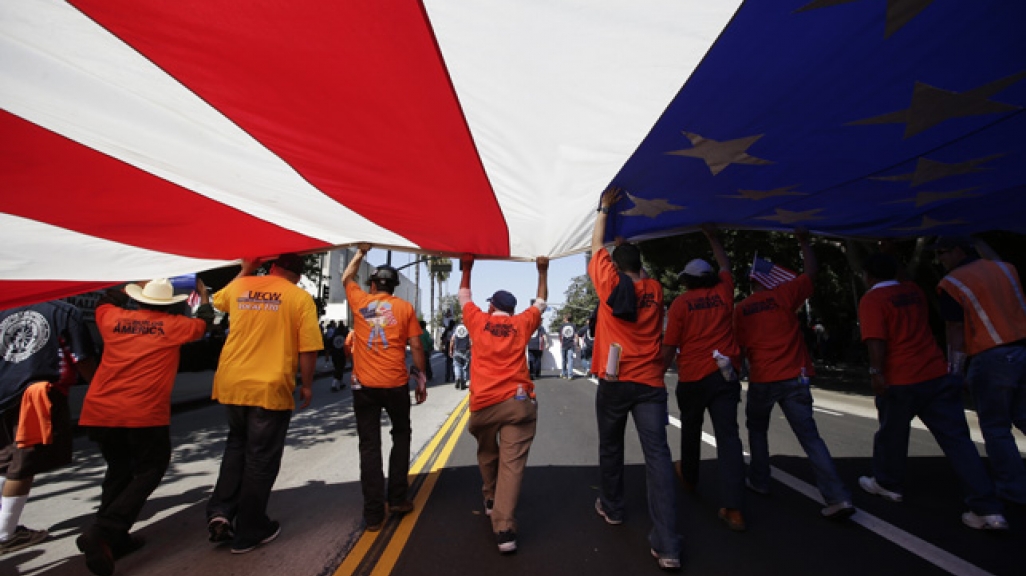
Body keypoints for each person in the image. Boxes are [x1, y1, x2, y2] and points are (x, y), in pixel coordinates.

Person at [857, 252, 1008, 529]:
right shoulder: (913, 291)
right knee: (959, 442)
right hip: (936, 375)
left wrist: (876, 372)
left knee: (892, 436)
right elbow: (901, 275)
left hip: (900, 379)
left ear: (868, 276)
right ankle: (987, 508)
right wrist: (888, 247)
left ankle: (888, 483)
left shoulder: (872, 300)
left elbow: (876, 340)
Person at [76, 278, 214, 575]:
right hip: (142, 413)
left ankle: (114, 539)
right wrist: (203, 296)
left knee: (119, 470)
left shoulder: (112, 318)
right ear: (168, 303)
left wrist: (129, 278)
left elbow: (104, 301)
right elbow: (205, 323)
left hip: (101, 410)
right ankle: (104, 529)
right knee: (151, 468)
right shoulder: (174, 326)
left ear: (137, 299)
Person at [206, 253, 323, 553]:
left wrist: (245, 270)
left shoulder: (242, 286)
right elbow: (308, 348)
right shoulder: (299, 298)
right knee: (260, 458)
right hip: (269, 387)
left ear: (271, 268)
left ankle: (220, 511)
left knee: (236, 446)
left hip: (232, 381)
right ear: (296, 276)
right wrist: (307, 385)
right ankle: (250, 529)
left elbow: (215, 301)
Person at [734, 231, 854, 520]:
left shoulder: (741, 310)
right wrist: (803, 242)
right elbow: (810, 273)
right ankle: (837, 496)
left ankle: (760, 481)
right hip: (795, 377)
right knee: (811, 438)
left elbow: (737, 349)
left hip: (763, 379)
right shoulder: (785, 295)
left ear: (751, 284)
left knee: (757, 431)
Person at [590, 187, 680, 571]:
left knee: (611, 448)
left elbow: (597, 247)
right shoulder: (656, 290)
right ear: (640, 267)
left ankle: (612, 507)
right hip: (650, 385)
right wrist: (628, 249)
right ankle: (668, 544)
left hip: (614, 383)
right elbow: (640, 273)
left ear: (615, 265)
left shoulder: (609, 286)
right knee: (658, 458)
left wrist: (603, 210)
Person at [458, 254, 548, 553]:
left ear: (491, 307)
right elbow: (540, 302)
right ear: (511, 310)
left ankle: (489, 497)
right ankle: (505, 529)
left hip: (483, 406)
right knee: (512, 465)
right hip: (517, 403)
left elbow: (463, 295)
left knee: (486, 450)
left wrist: (468, 268)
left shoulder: (477, 320)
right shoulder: (522, 324)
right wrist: (542, 271)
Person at [663, 225, 747, 532]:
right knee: (729, 438)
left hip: (693, 377)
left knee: (691, 429)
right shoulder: (724, 291)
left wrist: (656, 376)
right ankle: (734, 508)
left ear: (687, 282)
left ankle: (689, 476)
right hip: (724, 376)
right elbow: (725, 265)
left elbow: (670, 347)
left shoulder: (681, 304)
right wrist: (713, 237)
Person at [934, 236, 1026, 505]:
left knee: (996, 426)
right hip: (1023, 349)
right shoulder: (1006, 268)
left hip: (992, 355)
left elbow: (955, 330)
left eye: (942, 253)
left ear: (958, 250)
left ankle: (1014, 489)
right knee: (1023, 415)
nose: (940, 260)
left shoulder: (952, 282)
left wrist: (955, 370)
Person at [0, 300, 97, 555]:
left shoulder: (5, 307)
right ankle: (4, 534)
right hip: (34, 395)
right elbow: (81, 358)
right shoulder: (64, 312)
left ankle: (4, 525)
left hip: (3, 393)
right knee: (22, 464)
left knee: (4, 460)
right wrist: (99, 387)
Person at [343, 244, 427, 532]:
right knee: (401, 435)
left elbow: (346, 278)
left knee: (369, 446)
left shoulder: (360, 301)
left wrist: (360, 253)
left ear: (373, 283)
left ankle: (374, 514)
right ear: (393, 286)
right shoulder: (404, 308)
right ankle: (398, 498)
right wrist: (422, 378)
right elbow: (416, 344)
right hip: (395, 384)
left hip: (363, 386)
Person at [328, 320, 350, 392]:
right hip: (341, 354)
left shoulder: (335, 334)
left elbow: (330, 343)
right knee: (340, 368)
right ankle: (334, 384)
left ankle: (341, 383)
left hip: (334, 354)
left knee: (338, 368)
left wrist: (328, 353)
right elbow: (347, 344)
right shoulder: (345, 333)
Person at [450, 323, 472, 391]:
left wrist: (450, 350)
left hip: (457, 350)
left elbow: (452, 340)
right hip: (466, 350)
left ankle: (458, 377)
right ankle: (463, 382)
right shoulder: (469, 328)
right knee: (465, 367)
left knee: (457, 365)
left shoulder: (456, 328)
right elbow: (471, 341)